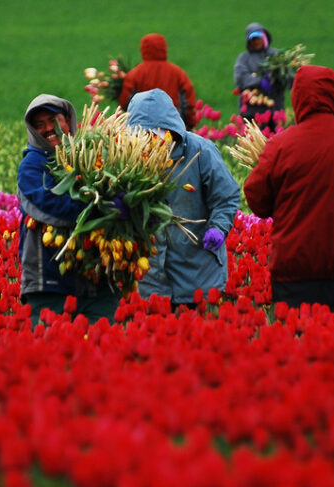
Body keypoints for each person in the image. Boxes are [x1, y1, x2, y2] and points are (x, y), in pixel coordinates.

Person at [244, 65, 334, 319]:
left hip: (298, 275)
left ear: (297, 99)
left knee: (302, 348)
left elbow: (257, 199)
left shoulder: (281, 145)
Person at [126, 88, 240, 310]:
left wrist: (218, 227)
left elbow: (226, 196)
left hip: (198, 272)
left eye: (154, 137)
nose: (149, 144)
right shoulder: (128, 159)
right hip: (152, 279)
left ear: (168, 132)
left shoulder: (200, 152)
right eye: (142, 137)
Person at [17, 93, 121, 327]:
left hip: (98, 281)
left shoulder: (93, 155)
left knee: (105, 354)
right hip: (49, 282)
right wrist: (99, 209)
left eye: (54, 120)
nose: (48, 129)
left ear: (68, 120)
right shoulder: (32, 166)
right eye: (40, 125)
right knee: (49, 355)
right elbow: (48, 205)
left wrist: (123, 202)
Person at [119, 33, 198, 130]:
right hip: (173, 128)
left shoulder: (135, 74)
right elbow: (188, 102)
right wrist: (190, 124)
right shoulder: (178, 73)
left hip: (142, 130)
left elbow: (126, 103)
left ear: (143, 49)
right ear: (164, 48)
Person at [233, 22, 291, 132]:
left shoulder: (277, 56)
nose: (256, 41)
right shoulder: (244, 58)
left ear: (265, 37)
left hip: (275, 111)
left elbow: (289, 78)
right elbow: (240, 78)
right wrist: (260, 81)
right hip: (251, 113)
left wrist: (275, 79)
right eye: (252, 39)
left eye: (258, 38)